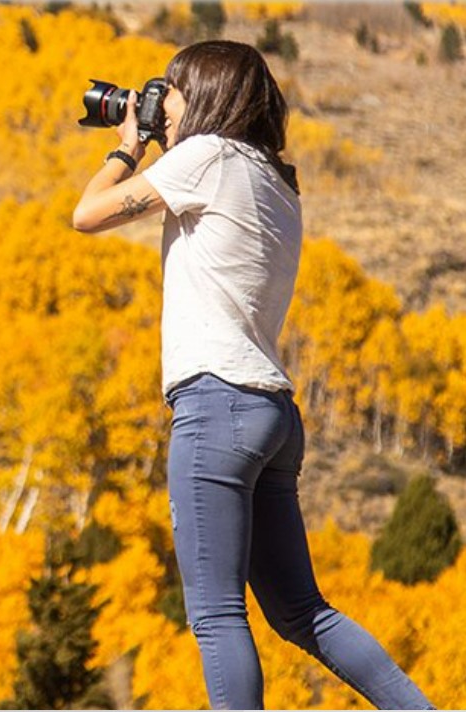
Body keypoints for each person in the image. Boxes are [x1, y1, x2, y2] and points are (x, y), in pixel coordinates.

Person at [72, 40, 435, 710]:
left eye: (171, 91)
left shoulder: (204, 157)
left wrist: (129, 144)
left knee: (214, 614)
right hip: (269, 408)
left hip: (213, 405)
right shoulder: (275, 180)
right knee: (302, 612)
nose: (162, 104)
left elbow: (86, 214)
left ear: (206, 95)